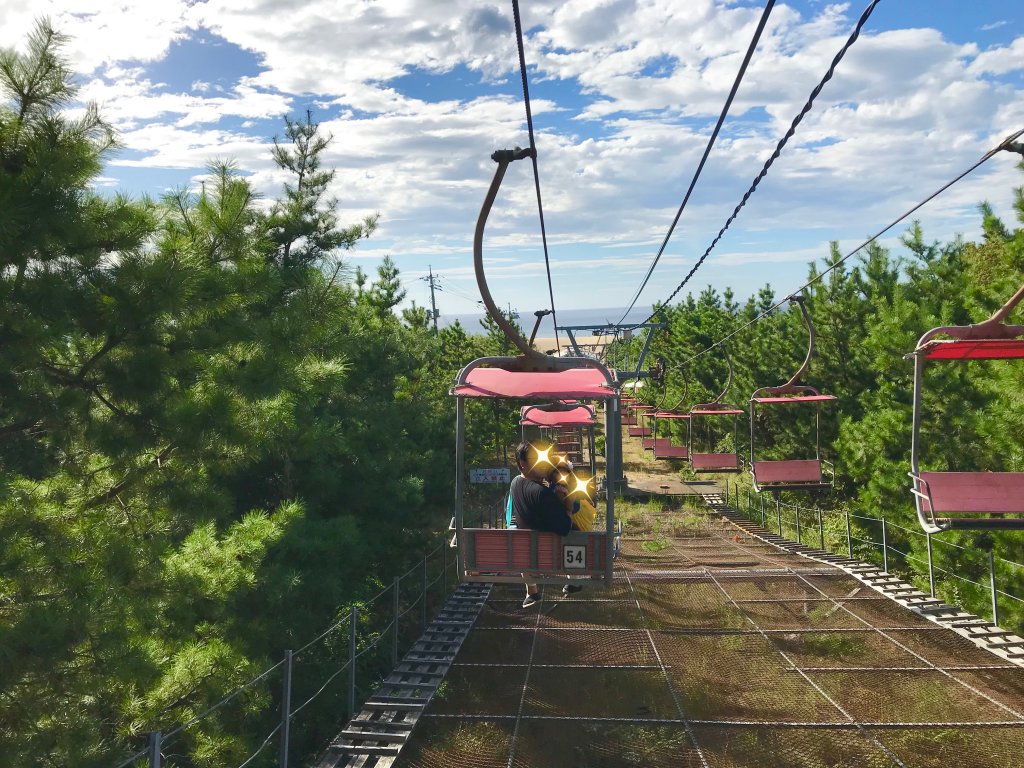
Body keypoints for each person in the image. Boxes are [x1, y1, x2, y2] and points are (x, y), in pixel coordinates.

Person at [509, 442, 577, 608]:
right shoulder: (542, 494)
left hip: (528, 557)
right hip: (550, 557)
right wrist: (567, 506)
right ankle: (574, 579)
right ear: (522, 463)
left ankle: (531, 590)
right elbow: (564, 528)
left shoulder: (515, 483)